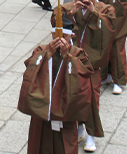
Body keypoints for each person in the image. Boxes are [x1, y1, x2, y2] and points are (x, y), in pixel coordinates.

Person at [17, 13, 93, 154]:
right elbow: (30, 69)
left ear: (71, 36)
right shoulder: (41, 50)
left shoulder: (78, 54)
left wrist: (68, 58)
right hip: (42, 111)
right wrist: (46, 55)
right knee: (39, 145)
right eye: (56, 36)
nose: (60, 40)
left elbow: (85, 76)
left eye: (64, 36)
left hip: (66, 111)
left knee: (65, 147)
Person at [61, 0, 116, 153]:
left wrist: (93, 12)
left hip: (93, 61)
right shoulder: (70, 7)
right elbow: (58, 25)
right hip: (74, 60)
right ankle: (78, 127)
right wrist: (71, 15)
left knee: (92, 97)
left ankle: (91, 133)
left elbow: (109, 29)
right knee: (73, 95)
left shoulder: (105, 9)